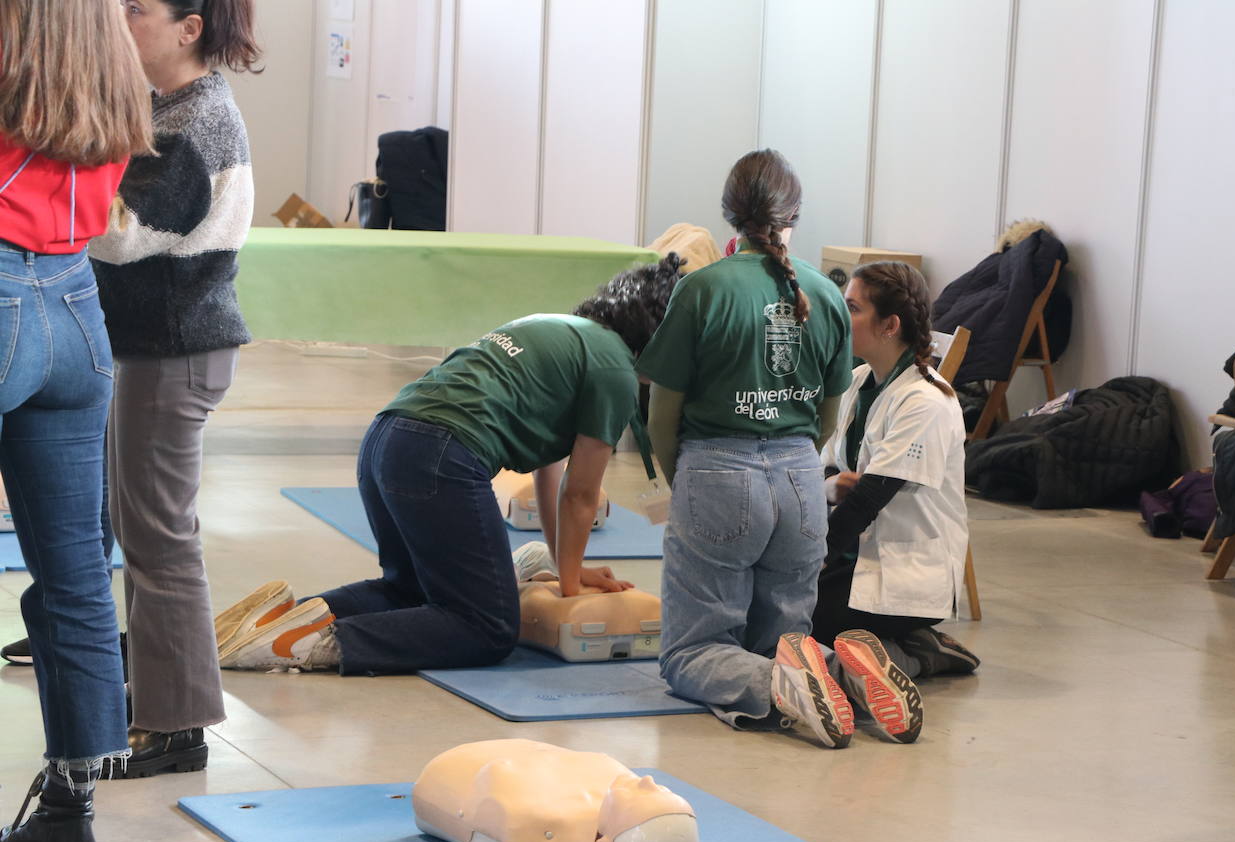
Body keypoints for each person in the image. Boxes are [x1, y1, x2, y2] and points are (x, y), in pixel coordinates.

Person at [217, 256, 684, 675]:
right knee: (489, 626)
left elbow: (551, 473)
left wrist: (570, 573)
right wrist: (570, 586)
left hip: (386, 438)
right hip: (440, 454)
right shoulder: (615, 371)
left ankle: (277, 623)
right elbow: (581, 496)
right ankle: (313, 645)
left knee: (412, 591)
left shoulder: (560, 328)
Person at [638, 150, 920, 749]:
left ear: (729, 214)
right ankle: (842, 671)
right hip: (798, 479)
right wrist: (788, 460)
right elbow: (826, 417)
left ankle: (789, 684)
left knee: (692, 652)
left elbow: (662, 412)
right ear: (793, 215)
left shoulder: (701, 289)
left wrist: (680, 477)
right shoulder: (826, 294)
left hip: (717, 469)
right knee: (782, 639)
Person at [83, 0, 261, 779]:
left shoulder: (198, 119)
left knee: (159, 540)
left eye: (137, 9)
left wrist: (47, 189)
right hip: (153, 347)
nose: (122, 19)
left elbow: (123, 233)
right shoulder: (164, 106)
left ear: (189, 27)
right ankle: (155, 697)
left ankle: (178, 725)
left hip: (176, 349)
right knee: (142, 529)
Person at [0, 0, 154, 842]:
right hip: (74, 309)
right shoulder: (111, 71)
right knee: (77, 582)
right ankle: (69, 815)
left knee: (75, 580)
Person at [814, 261, 980, 680]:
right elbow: (827, 466)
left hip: (904, 574)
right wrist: (830, 485)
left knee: (796, 618)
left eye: (852, 308)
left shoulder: (926, 402)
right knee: (776, 605)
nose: (840, 316)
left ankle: (915, 656)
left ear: (889, 325)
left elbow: (870, 498)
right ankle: (905, 644)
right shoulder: (858, 381)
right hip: (861, 556)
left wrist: (812, 560)